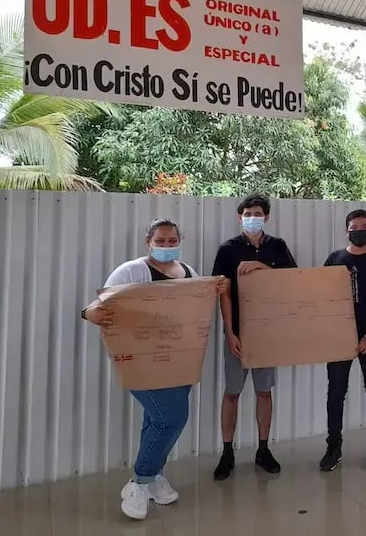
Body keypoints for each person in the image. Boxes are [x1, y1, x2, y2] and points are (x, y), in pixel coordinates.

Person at [82, 218, 227, 520]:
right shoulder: (132, 270)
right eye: (159, 241)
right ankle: (139, 482)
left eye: (171, 241)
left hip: (179, 360)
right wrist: (89, 313)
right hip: (141, 360)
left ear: (179, 241)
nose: (166, 246)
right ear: (148, 241)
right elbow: (101, 304)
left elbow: (197, 304)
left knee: (155, 420)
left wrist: (218, 288)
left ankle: (155, 475)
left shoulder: (187, 272)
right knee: (172, 417)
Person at [212, 194, 298, 480]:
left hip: (267, 332)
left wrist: (263, 268)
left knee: (264, 392)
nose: (253, 217)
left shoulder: (278, 246)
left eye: (258, 213)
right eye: (248, 213)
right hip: (238, 333)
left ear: (267, 217)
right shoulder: (228, 249)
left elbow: (293, 280)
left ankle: (263, 449)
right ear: (240, 217)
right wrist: (229, 331)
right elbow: (222, 291)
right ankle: (227, 451)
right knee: (233, 393)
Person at [320, 209, 366, 471]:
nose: (359, 230)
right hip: (339, 339)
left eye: (365, 226)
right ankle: (333, 447)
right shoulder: (335, 259)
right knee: (335, 393)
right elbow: (325, 297)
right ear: (346, 230)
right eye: (354, 226)